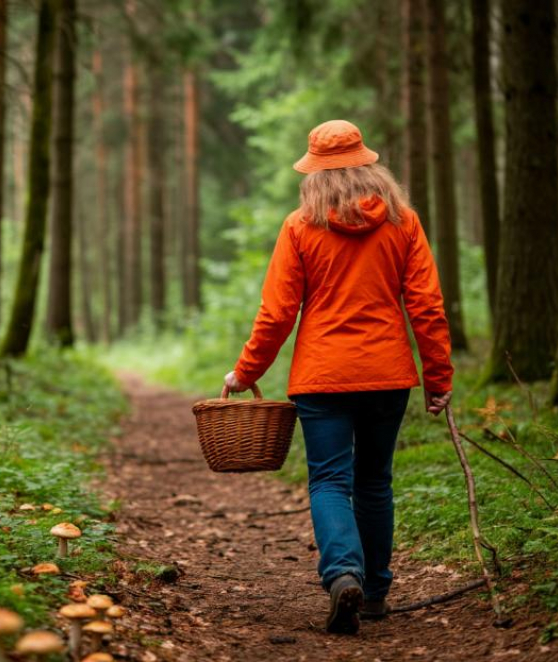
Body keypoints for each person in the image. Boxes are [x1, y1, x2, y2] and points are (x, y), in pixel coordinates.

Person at [224, 119, 454, 635]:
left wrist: (246, 371)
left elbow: (277, 312)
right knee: (375, 482)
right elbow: (427, 306)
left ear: (314, 173)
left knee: (330, 480)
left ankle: (342, 574)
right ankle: (373, 593)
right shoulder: (403, 222)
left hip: (323, 377)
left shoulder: (300, 225)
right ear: (369, 165)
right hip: (387, 373)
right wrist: (438, 377)